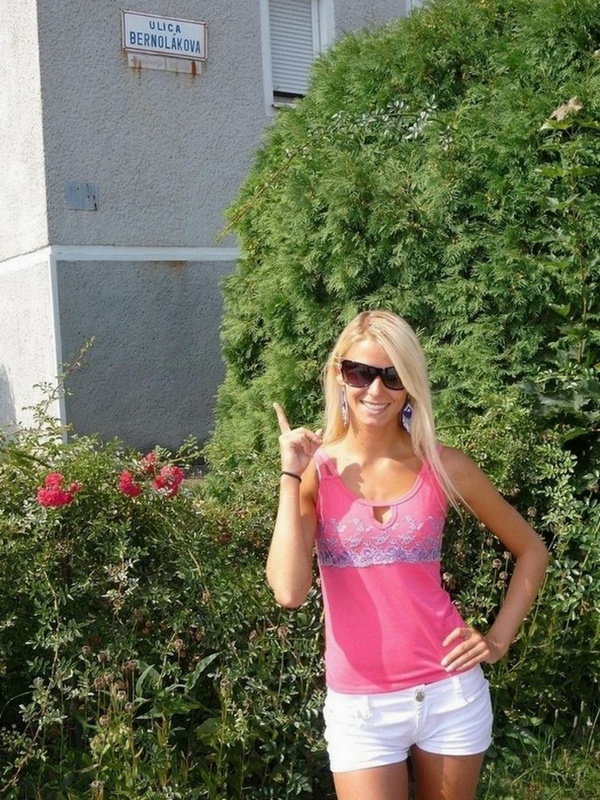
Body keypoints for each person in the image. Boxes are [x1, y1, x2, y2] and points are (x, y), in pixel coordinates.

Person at [267, 310, 548, 800]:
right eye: (361, 372)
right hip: (361, 709)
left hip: (451, 694)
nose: (376, 390)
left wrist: (498, 639)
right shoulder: (317, 470)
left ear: (410, 384)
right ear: (339, 375)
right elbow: (289, 590)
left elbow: (531, 550)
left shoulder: (443, 465)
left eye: (393, 376)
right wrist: (291, 474)